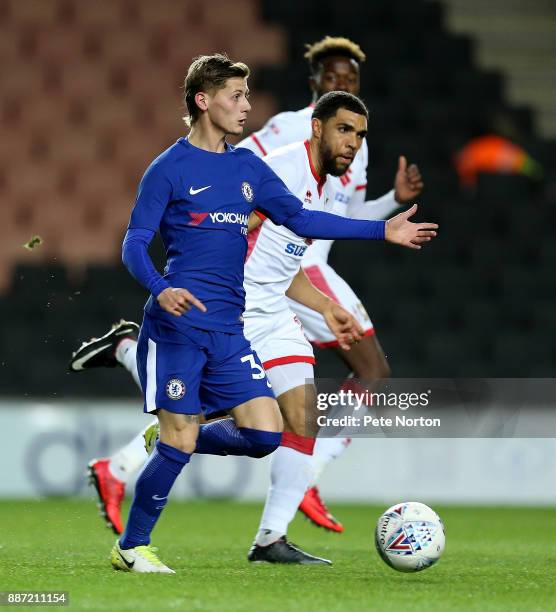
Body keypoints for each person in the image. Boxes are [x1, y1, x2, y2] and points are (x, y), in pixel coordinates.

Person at [72, 35, 426, 536]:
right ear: (315, 87)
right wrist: (233, 233)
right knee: (327, 383)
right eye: (333, 79)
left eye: (350, 80)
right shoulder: (282, 135)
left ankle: (270, 515)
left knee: (276, 414)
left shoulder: (354, 152)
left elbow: (324, 214)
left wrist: (389, 207)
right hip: (258, 279)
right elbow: (244, 190)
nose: (341, 86)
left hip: (295, 269)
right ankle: (142, 386)